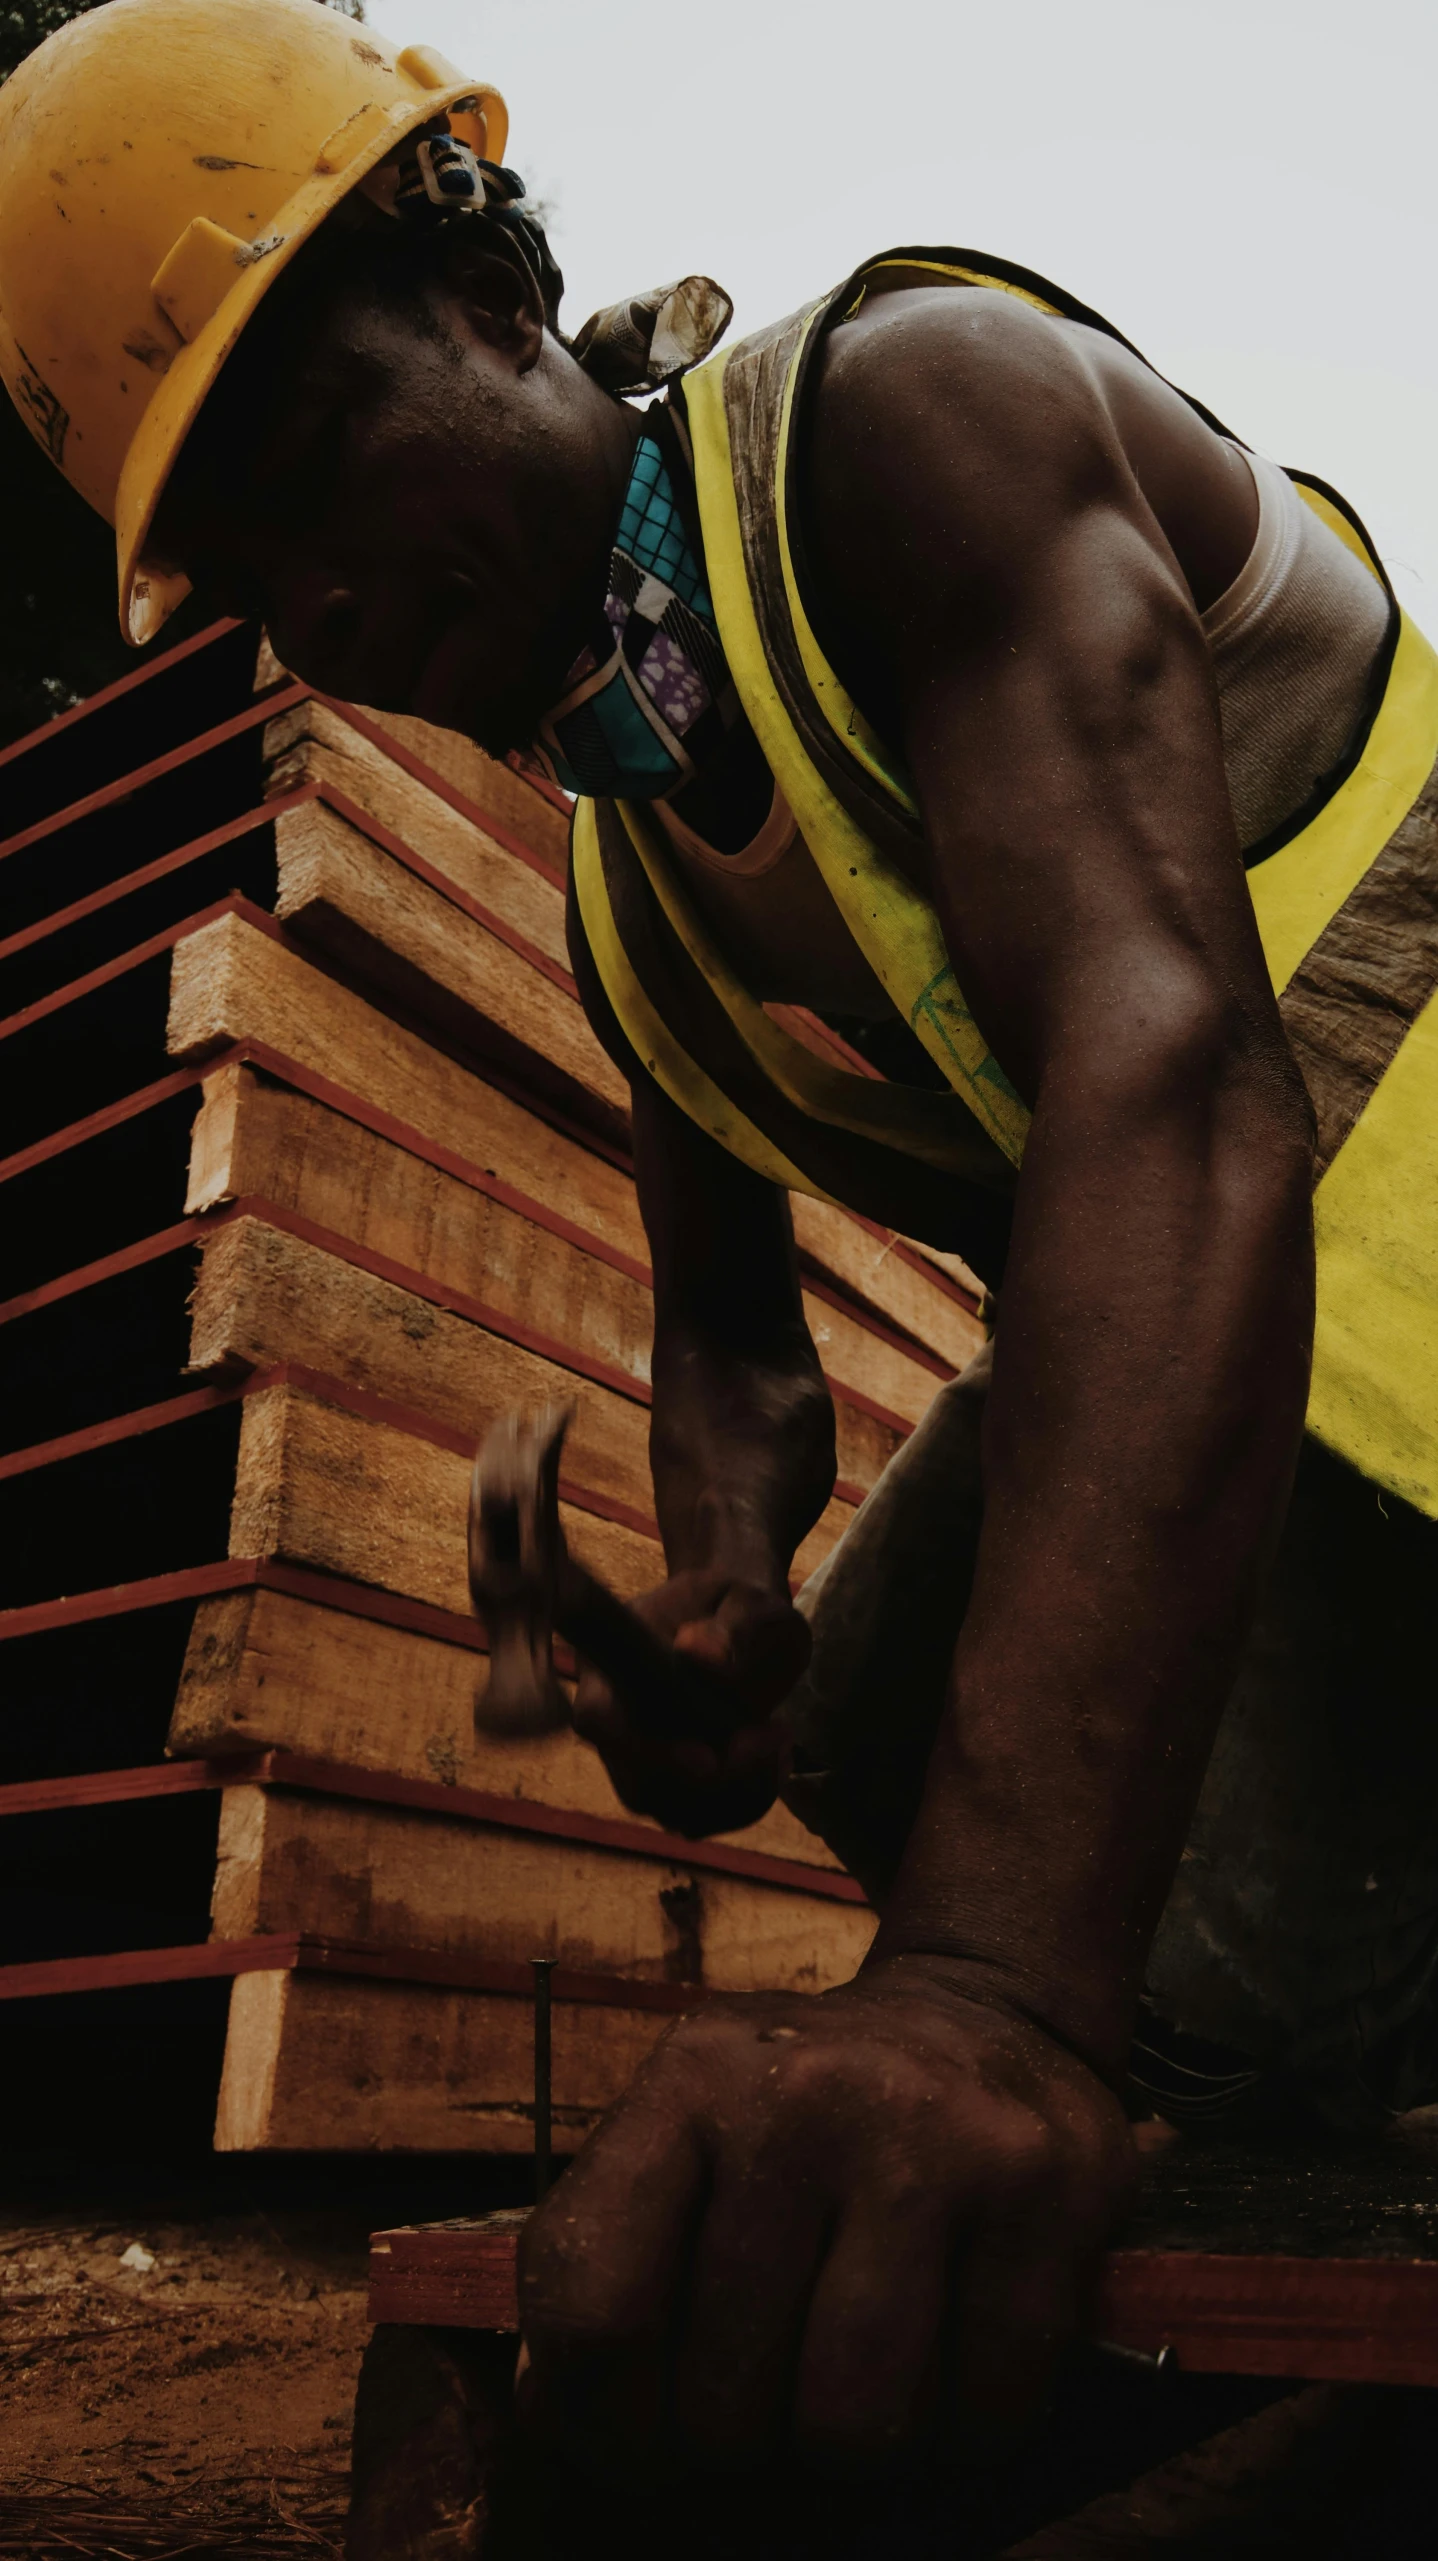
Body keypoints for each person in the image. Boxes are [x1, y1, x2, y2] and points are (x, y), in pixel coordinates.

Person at [5, 0, 1436, 2484]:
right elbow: (741, 1362)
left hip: (1387, 1300)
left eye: (318, 462)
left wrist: (986, 1984)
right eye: (247, 582)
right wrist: (718, 1603)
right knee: (887, 1687)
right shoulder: (624, 891)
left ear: (478, 292)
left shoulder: (906, 419)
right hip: (1262, 1350)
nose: (322, 599)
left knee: (1105, 1934)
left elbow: (1160, 1068)